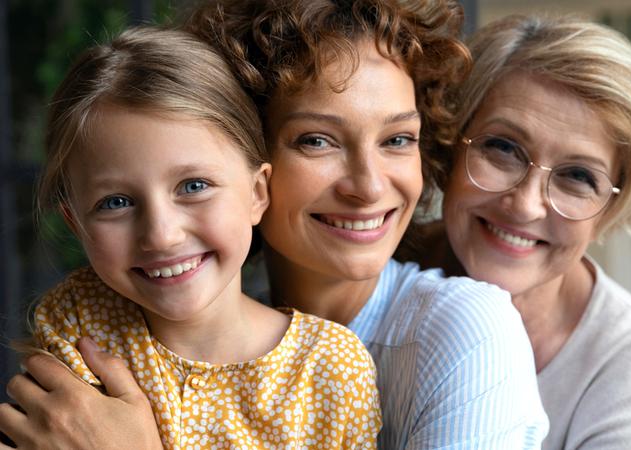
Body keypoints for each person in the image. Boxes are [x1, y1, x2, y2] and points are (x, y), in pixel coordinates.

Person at [0, 2, 548, 449]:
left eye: (397, 139)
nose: (370, 185)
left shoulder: (437, 336)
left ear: (252, 187)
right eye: (317, 140)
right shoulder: (92, 320)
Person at [3, 26, 381, 449]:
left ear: (257, 193)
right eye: (115, 202)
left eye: (194, 186)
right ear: (76, 224)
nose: (161, 236)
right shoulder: (80, 321)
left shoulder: (328, 370)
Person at [405, 15, 631, 450]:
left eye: (577, 176)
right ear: (451, 143)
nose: (524, 203)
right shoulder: (377, 267)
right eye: (502, 148)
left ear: (611, 207)